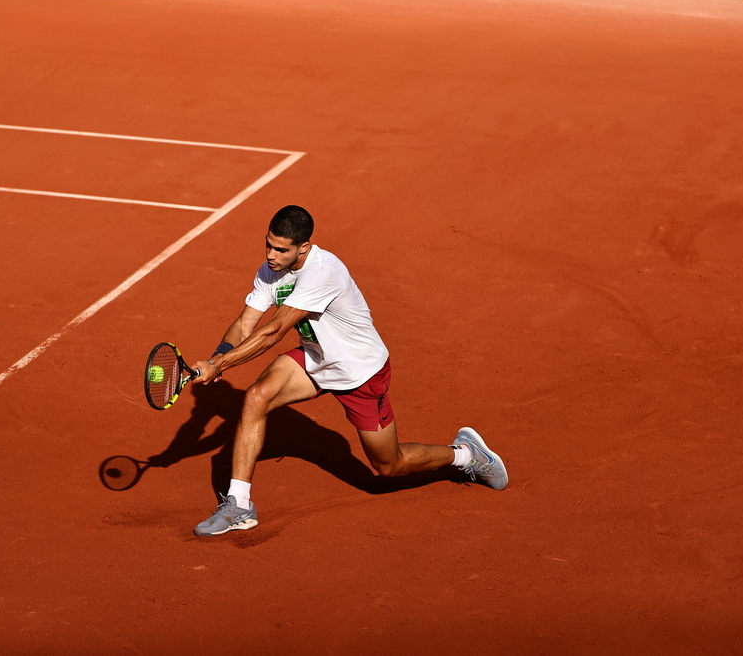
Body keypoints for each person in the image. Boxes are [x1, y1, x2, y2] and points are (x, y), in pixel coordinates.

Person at [189, 205, 507, 537]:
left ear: (304, 247)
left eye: (281, 249)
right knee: (257, 396)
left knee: (388, 466)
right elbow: (245, 323)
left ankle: (466, 455)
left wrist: (219, 366)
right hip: (317, 357)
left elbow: (274, 330)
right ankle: (240, 505)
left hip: (360, 371)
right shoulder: (270, 270)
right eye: (268, 245)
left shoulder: (323, 272)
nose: (271, 255)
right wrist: (218, 357)